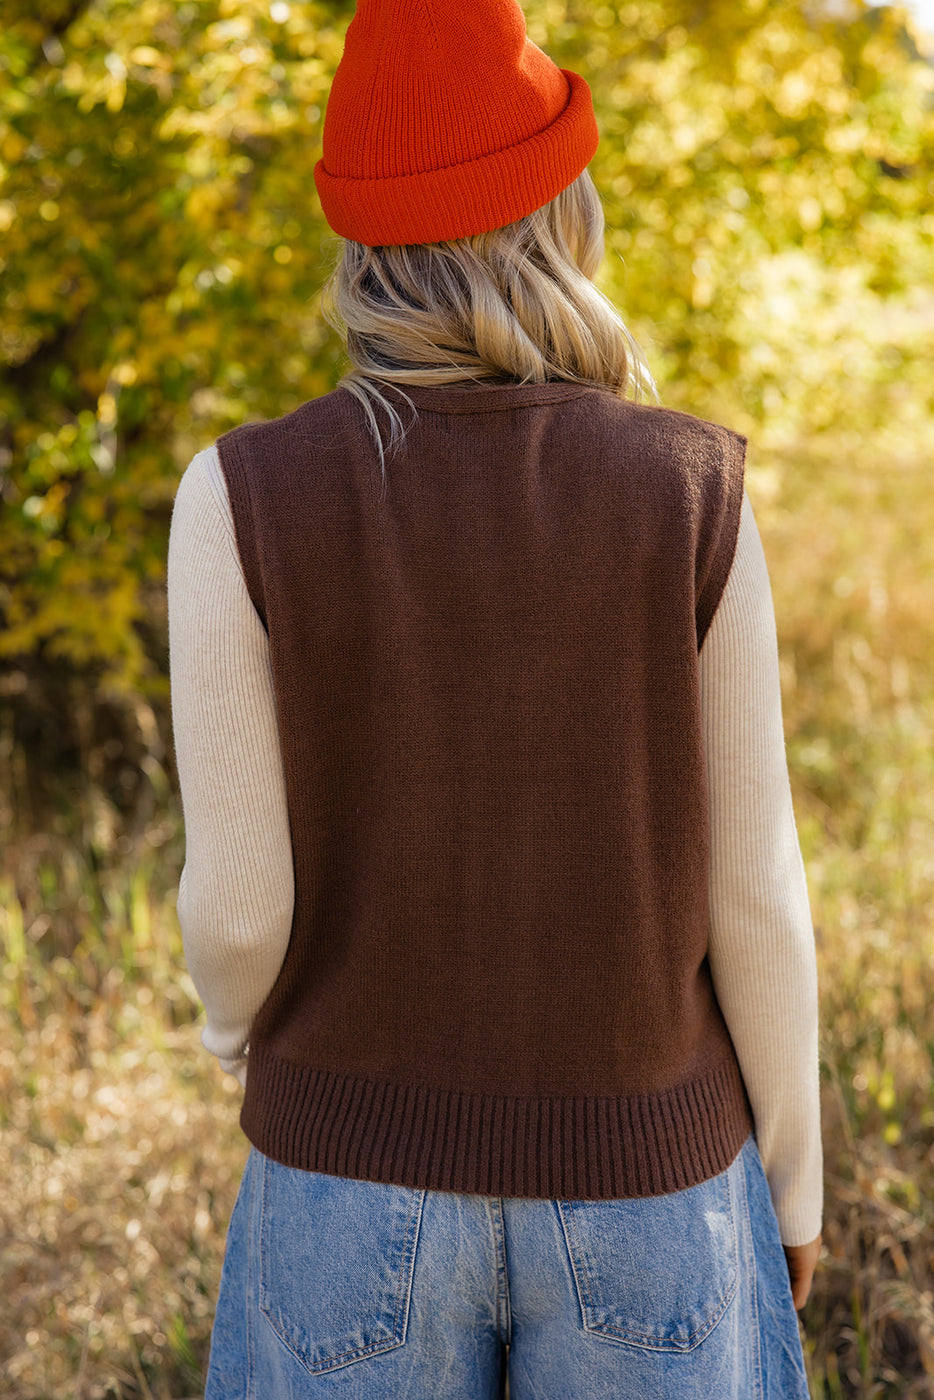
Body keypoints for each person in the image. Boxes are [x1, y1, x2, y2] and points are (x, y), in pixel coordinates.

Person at [167, 1, 823, 1395]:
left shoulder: (239, 493)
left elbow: (235, 910)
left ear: (360, 241)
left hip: (340, 1183)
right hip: (651, 1186)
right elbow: (752, 895)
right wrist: (794, 1189)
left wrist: (244, 1040)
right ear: (559, 216)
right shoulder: (693, 488)